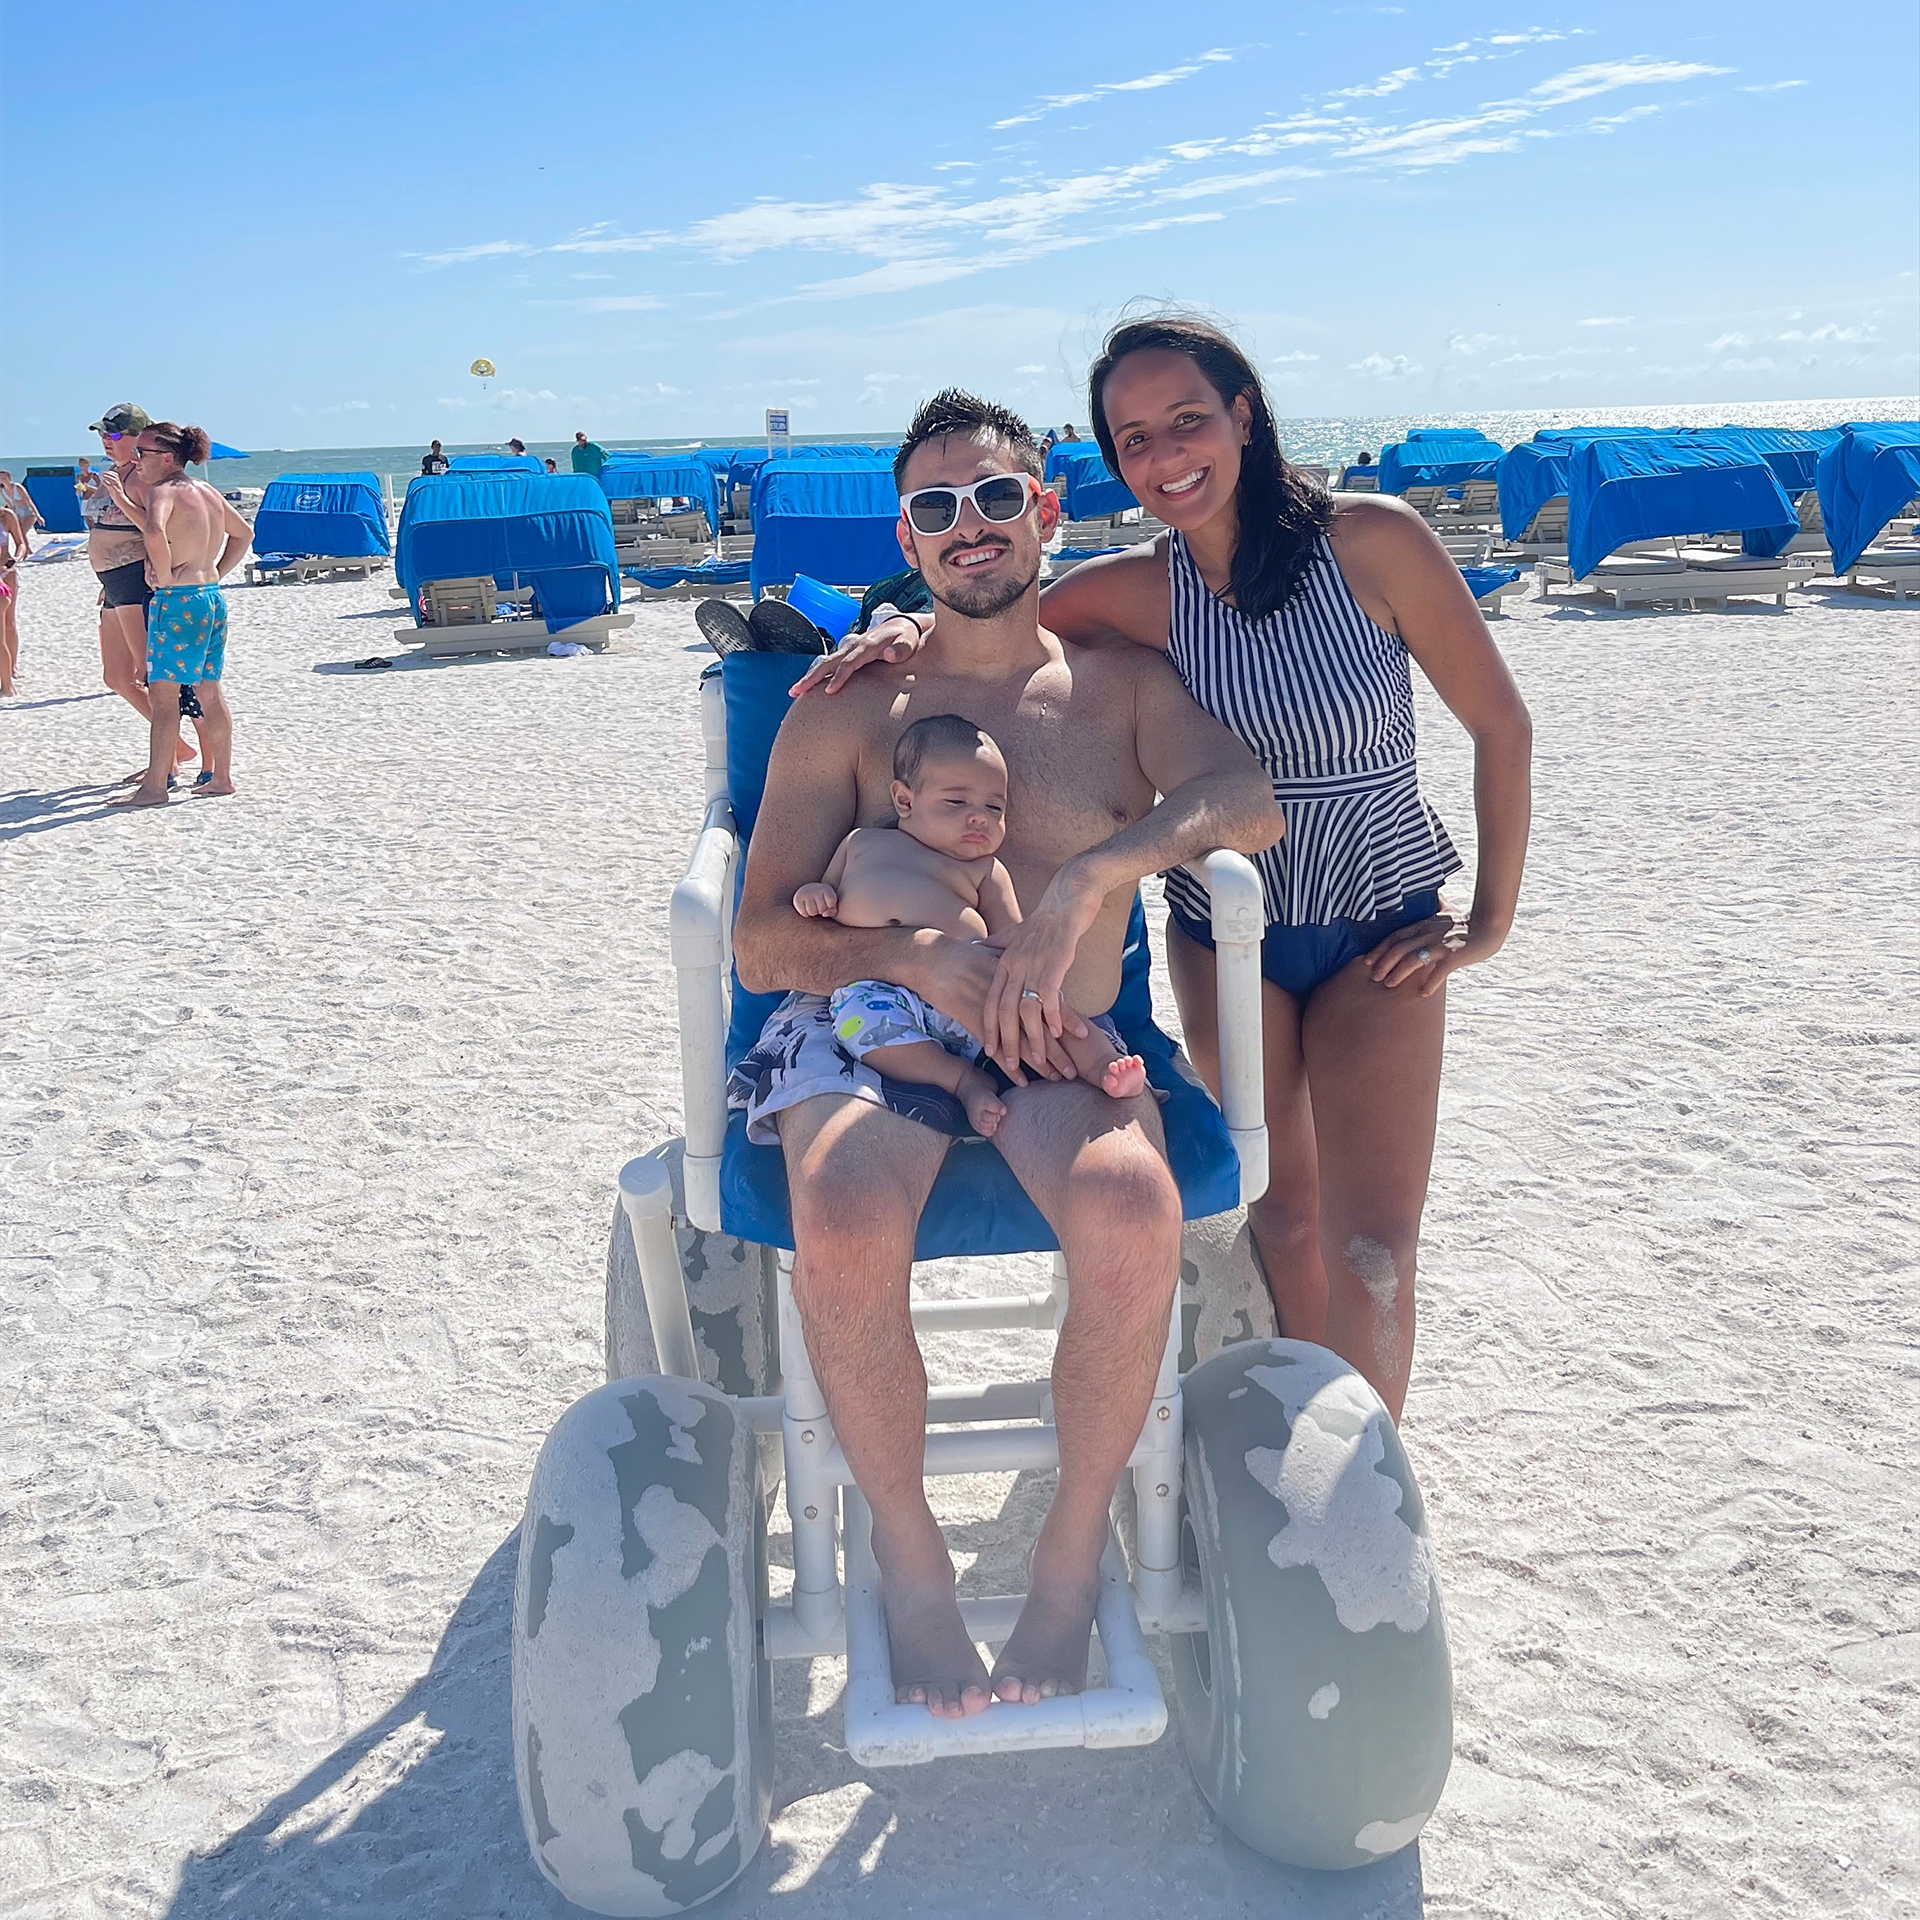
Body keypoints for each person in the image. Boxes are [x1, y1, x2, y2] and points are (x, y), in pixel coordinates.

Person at [794, 316, 1534, 1425]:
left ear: (1243, 415)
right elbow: (988, 611)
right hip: (1225, 933)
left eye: (1187, 419)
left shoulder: (1373, 544)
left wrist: (1490, 920)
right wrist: (891, 623)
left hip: (1382, 922)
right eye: (1133, 438)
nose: (1165, 453)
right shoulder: (1136, 591)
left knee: (1374, 1242)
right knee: (1280, 1213)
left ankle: (1365, 1474)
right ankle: (1297, 1432)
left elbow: (1502, 728)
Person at [733, 387, 1281, 1716]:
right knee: (847, 1214)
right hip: (872, 1032)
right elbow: (759, 942)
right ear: (908, 538)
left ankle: (1066, 1554)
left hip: (1055, 1038)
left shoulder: (1117, 691)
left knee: (1132, 1209)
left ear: (1045, 511)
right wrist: (911, 959)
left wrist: (1099, 870)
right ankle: (912, 1565)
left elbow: (1244, 797)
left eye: (994, 497)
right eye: (935, 506)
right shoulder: (851, 706)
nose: (967, 525)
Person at [767, 711, 1146, 1139]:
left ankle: (1101, 1065)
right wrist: (814, 895)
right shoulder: (862, 844)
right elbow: (824, 893)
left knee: (1047, 1012)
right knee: (860, 1026)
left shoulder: (985, 870)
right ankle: (961, 1081)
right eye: (956, 802)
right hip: (880, 994)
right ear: (905, 801)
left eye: (994, 807)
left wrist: (1023, 972)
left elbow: (1013, 936)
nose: (979, 817)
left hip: (971, 990)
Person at [110, 424, 252, 807]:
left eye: (143, 452)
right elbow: (243, 534)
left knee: (164, 697)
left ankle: (154, 788)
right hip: (210, 597)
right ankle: (221, 777)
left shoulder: (164, 491)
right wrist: (217, 572)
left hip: (178, 601)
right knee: (209, 690)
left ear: (167, 458)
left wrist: (164, 572)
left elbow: (154, 531)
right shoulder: (206, 491)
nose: (136, 459)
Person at [81, 403, 195, 779]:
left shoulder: (143, 478)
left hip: (133, 580)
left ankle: (170, 760)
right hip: (112, 581)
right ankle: (176, 749)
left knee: (153, 677)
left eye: (114, 435)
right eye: (103, 434)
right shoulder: (118, 473)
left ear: (140, 438)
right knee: (115, 676)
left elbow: (155, 528)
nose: (106, 441)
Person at [0, 497, 23, 696]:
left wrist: (15, 560)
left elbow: (21, 543)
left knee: (9, 623)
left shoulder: (6, 516)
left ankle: (12, 666)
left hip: (7, 571)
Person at [0, 470, 38, 546]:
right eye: (0, 477)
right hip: (17, 513)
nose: (3, 479)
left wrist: (38, 515)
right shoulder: (2, 490)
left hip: (28, 512)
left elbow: (29, 501)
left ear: (9, 478)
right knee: (20, 534)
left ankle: (26, 553)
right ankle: (28, 552)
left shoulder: (17, 487)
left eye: (4, 477)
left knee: (22, 533)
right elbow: (9, 504)